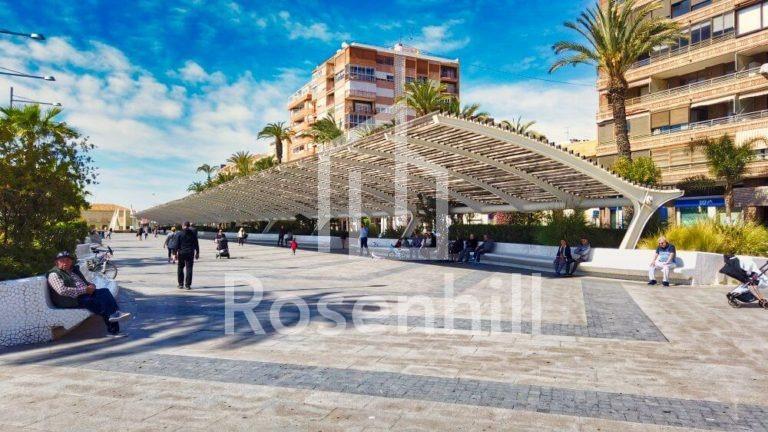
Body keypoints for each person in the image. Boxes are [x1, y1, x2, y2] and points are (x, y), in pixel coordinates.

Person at [47, 251, 130, 335]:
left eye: (68, 260)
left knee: (105, 292)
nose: (66, 262)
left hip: (85, 293)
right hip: (72, 299)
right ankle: (114, 322)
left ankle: (114, 315)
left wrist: (91, 285)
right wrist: (85, 290)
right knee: (103, 304)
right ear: (56, 262)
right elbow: (62, 290)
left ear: (71, 261)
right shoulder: (54, 274)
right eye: (62, 260)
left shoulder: (73, 270)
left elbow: (83, 282)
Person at [176, 221, 200, 290]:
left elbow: (176, 244)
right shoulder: (193, 234)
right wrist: (197, 253)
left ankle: (180, 284)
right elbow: (196, 244)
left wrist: (174, 253)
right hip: (190, 253)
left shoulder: (179, 233)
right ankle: (188, 285)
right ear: (189, 226)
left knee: (180, 268)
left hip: (181, 253)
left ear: (183, 226)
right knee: (189, 269)